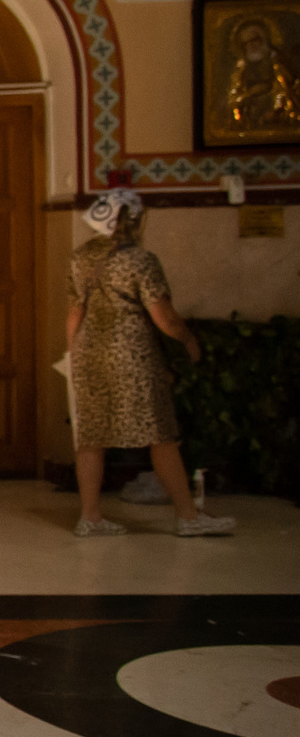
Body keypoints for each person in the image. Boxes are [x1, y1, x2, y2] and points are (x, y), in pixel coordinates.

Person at [68, 187, 235, 538]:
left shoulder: (80, 258)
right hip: (133, 356)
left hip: (89, 353)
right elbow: (164, 318)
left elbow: (75, 312)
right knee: (160, 434)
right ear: (133, 220)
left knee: (91, 437)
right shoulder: (141, 260)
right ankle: (188, 516)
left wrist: (74, 355)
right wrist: (189, 340)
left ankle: (90, 516)